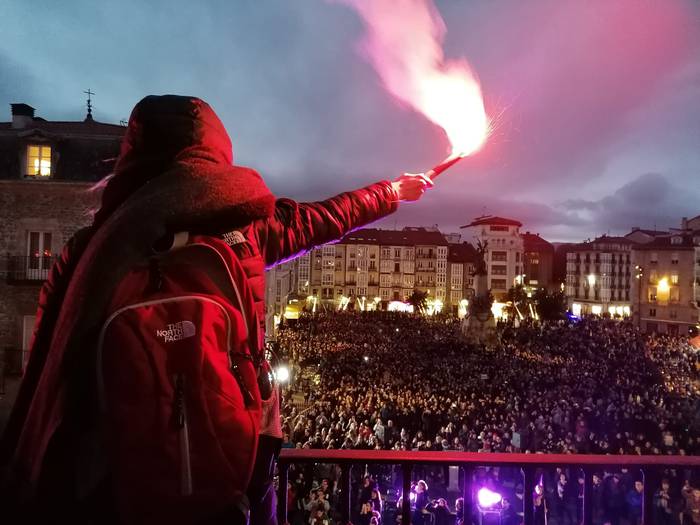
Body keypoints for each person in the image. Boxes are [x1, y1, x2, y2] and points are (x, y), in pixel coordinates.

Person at [0, 95, 433, 523]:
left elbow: (49, 366)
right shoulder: (246, 228)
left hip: (118, 474)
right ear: (216, 151)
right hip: (237, 455)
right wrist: (391, 191)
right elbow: (324, 218)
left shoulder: (92, 248)